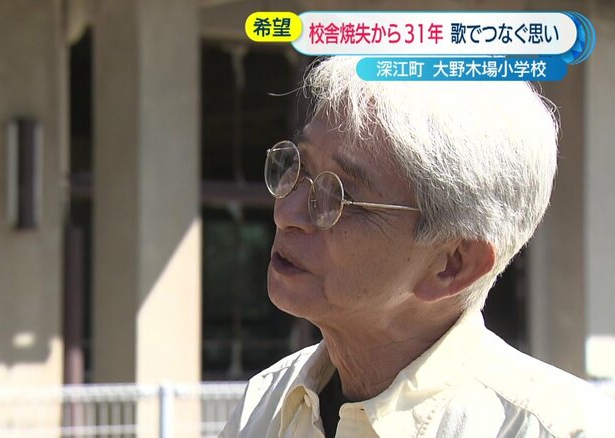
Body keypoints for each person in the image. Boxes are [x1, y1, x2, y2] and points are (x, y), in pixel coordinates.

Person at [220, 57, 614, 437]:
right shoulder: (266, 404)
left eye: (341, 198)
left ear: (453, 264)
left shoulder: (551, 428)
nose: (287, 212)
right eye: (301, 167)